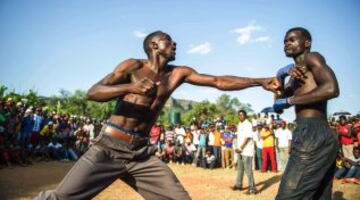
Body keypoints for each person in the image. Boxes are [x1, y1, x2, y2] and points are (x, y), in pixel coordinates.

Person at [36, 30, 279, 200]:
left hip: (141, 155)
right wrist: (130, 87)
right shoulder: (132, 66)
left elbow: (218, 81)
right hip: (108, 148)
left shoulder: (177, 74)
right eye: (168, 41)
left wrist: (259, 81)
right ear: (154, 45)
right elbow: (93, 92)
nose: (174, 45)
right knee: (62, 197)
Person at [273, 27, 340, 199]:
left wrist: (291, 101)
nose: (287, 43)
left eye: (292, 39)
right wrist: (280, 76)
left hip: (313, 132)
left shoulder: (312, 57)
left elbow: (331, 88)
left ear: (307, 43)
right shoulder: (294, 75)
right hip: (310, 132)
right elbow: (277, 105)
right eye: (285, 41)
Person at [231, 110, 259, 195]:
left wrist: (241, 148)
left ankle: (252, 188)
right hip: (240, 150)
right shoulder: (240, 124)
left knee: (248, 170)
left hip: (246, 151)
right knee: (240, 169)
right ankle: (239, 185)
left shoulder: (248, 124)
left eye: (242, 115)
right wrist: (238, 148)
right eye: (239, 115)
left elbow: (248, 138)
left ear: (245, 116)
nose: (240, 116)